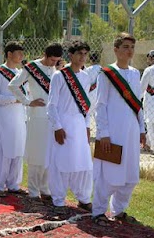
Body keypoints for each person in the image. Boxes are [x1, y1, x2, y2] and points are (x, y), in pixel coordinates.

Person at [92, 32, 146, 226]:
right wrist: (104, 133)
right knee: (110, 172)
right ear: (115, 49)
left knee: (130, 173)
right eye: (125, 47)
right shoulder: (106, 74)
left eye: (132, 47)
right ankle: (98, 211)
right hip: (113, 131)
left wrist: (142, 128)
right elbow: (100, 105)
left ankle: (119, 210)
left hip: (131, 131)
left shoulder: (135, 73)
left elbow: (138, 103)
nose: (129, 51)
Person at [9, 42, 63, 202]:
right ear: (45, 55)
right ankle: (33, 190)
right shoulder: (32, 67)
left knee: (48, 154)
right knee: (36, 154)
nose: (54, 63)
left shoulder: (57, 69)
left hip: (53, 117)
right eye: (52, 60)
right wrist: (27, 101)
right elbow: (13, 85)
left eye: (57, 60)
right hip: (37, 115)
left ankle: (45, 188)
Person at [47, 40, 93, 214]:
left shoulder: (86, 76)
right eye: (79, 53)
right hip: (63, 123)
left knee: (83, 163)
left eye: (85, 54)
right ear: (71, 55)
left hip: (80, 124)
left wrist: (87, 126)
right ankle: (58, 199)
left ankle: (84, 198)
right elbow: (52, 105)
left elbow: (87, 106)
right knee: (61, 162)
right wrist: (57, 127)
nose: (82, 57)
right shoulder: (59, 76)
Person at [0, 41, 28, 196]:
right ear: (9, 54)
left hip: (19, 116)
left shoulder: (20, 73)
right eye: (18, 53)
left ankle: (14, 184)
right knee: (3, 151)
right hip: (4, 117)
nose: (21, 56)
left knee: (18, 150)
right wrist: (13, 99)